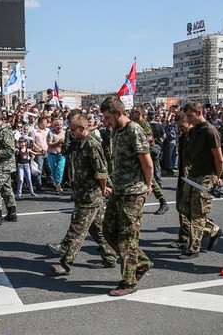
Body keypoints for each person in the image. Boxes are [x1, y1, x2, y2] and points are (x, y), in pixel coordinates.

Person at [48, 113, 117, 275]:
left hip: (90, 195)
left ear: (81, 128)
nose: (70, 133)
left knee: (77, 230)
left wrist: (103, 188)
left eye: (72, 130)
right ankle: (110, 256)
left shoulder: (91, 144)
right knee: (97, 229)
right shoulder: (81, 142)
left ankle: (65, 264)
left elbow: (101, 170)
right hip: (83, 193)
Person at [100, 96, 153, 296]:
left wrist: (147, 186)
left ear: (118, 113)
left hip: (133, 192)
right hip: (119, 191)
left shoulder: (134, 130)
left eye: (107, 117)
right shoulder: (116, 131)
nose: (105, 122)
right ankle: (142, 262)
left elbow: (147, 163)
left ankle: (129, 281)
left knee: (128, 237)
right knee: (108, 230)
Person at [178, 101, 223, 259]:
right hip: (193, 174)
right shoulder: (193, 131)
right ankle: (213, 229)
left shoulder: (210, 131)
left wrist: (218, 177)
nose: (188, 119)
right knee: (185, 209)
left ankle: (194, 248)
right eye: (186, 116)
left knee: (198, 212)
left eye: (190, 116)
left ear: (199, 113)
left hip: (206, 175)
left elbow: (219, 158)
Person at [130, 106, 169, 215]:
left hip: (146, 153)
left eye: (133, 112)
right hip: (140, 154)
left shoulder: (144, 124)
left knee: (150, 178)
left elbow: (149, 139)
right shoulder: (135, 124)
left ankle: (163, 202)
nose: (131, 114)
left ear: (138, 114)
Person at [46, 119, 66, 195]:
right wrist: (58, 143)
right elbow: (49, 144)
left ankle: (58, 185)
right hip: (52, 154)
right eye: (57, 125)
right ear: (53, 126)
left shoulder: (64, 133)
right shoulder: (51, 133)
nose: (59, 126)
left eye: (60, 125)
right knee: (54, 171)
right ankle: (57, 185)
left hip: (62, 154)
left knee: (60, 170)